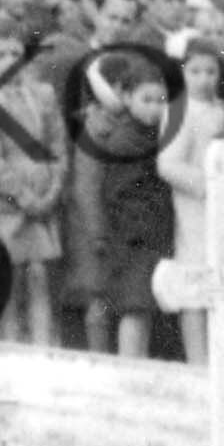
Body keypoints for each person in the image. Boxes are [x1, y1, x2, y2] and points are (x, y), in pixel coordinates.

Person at [71, 53, 176, 359]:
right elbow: (119, 193)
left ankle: (137, 365)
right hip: (132, 236)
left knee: (143, 308)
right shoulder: (125, 141)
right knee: (134, 307)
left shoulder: (151, 134)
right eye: (146, 99)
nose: (155, 108)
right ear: (127, 98)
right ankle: (131, 367)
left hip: (148, 235)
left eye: (160, 100)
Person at [0, 15, 65, 345]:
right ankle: (10, 348)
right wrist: (23, 196)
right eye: (1, 55)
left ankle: (42, 348)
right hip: (9, 202)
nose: (10, 62)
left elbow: (57, 144)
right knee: (9, 278)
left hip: (43, 196)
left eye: (15, 54)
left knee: (40, 275)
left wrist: (53, 187)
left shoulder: (41, 93)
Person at [156, 37, 224, 367]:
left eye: (210, 71)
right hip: (194, 205)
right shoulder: (178, 110)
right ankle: (197, 359)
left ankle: (221, 356)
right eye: (195, 71)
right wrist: (206, 185)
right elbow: (167, 163)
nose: (204, 78)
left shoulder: (222, 109)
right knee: (195, 276)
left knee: (223, 275)